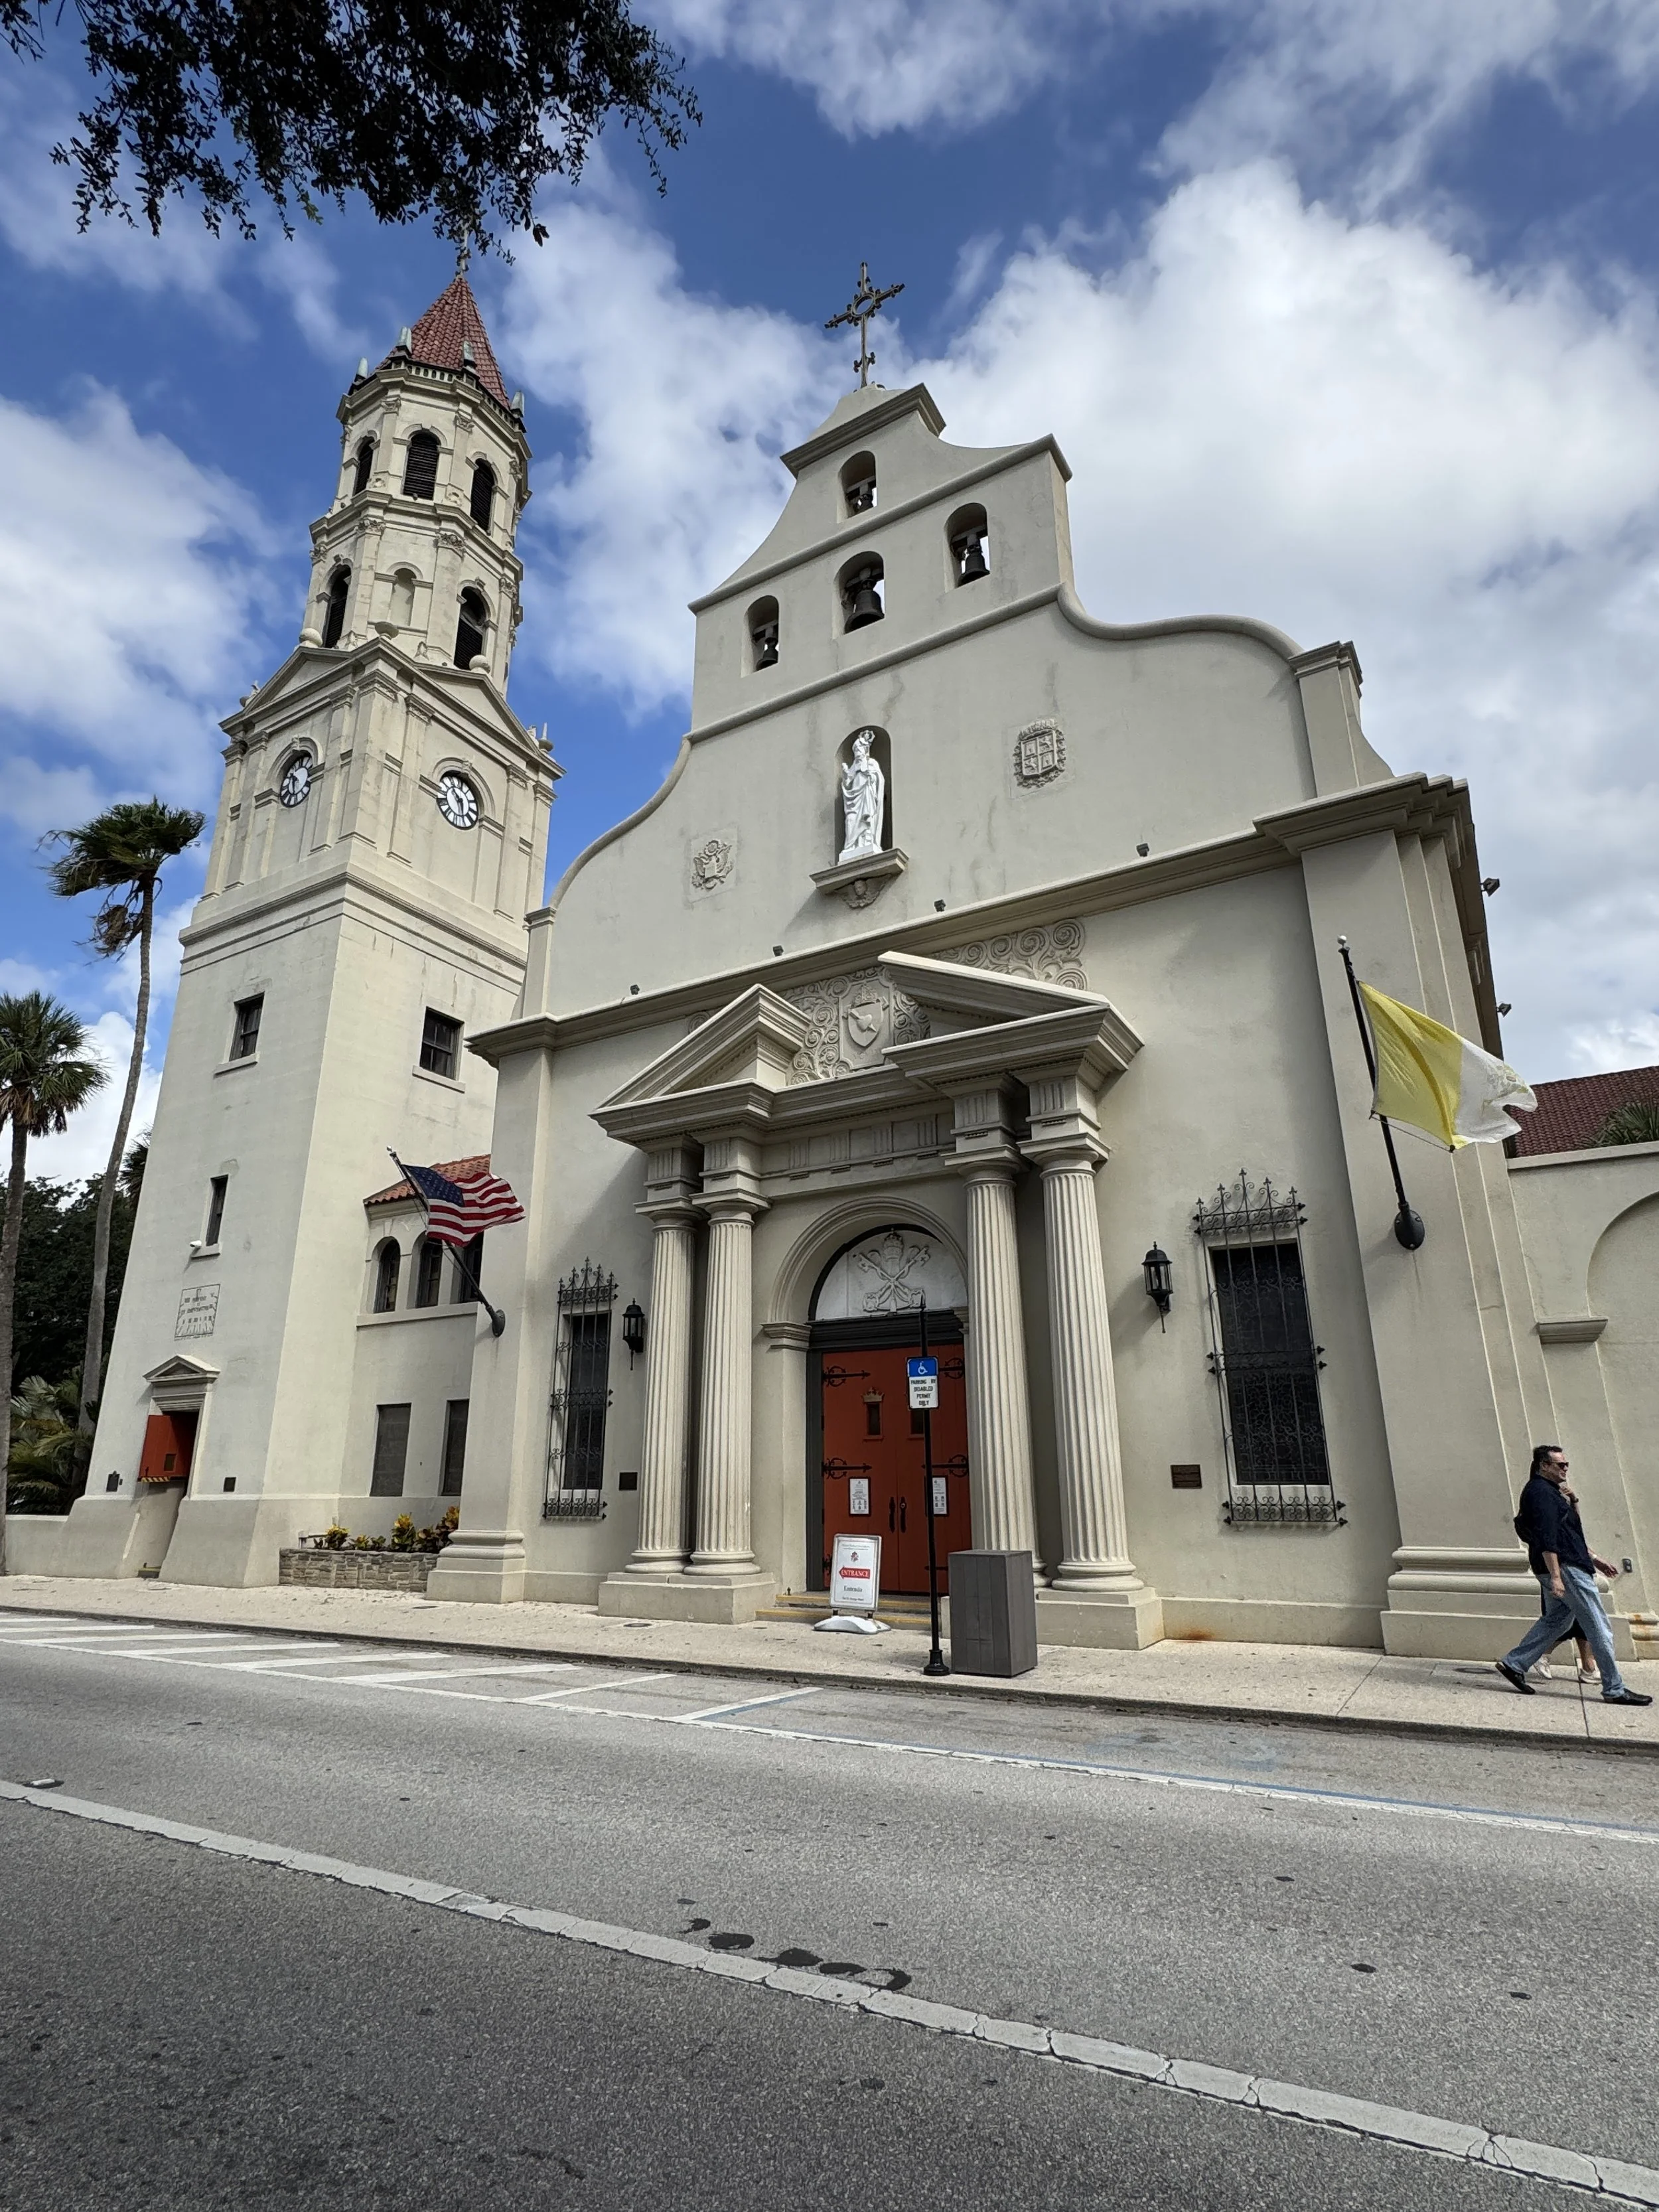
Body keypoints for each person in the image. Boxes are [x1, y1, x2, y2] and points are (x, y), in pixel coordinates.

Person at [1496, 1445, 1651, 1704]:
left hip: (1565, 1565)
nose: (1565, 1468)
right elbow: (1548, 1538)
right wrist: (1556, 1576)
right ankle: (1614, 1689)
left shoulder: (1551, 1493)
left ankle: (1515, 1663)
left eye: (1566, 1464)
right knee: (1598, 1626)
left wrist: (1595, 1559)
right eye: (1560, 1464)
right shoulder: (1541, 1493)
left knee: (1558, 1620)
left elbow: (1570, 1534)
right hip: (1566, 1569)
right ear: (1543, 1466)